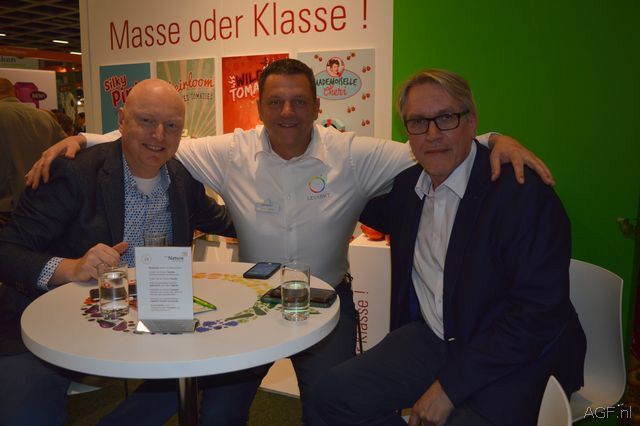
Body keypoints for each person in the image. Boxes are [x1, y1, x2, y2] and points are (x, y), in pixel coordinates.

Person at [27, 59, 555, 425]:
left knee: (327, 405)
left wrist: (494, 140)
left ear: (317, 105)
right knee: (221, 413)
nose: (287, 112)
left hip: (329, 301)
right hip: (254, 304)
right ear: (259, 107)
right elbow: (156, 136)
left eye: (298, 101)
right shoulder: (230, 152)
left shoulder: (354, 154)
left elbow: (437, 145)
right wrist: (83, 139)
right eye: (276, 102)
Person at [312, 69, 586, 426]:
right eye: (418, 122)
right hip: (435, 337)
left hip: (514, 354)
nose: (432, 134)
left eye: (446, 118)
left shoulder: (522, 194)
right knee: (330, 396)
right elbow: (347, 195)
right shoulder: (407, 189)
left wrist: (449, 389)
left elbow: (538, 314)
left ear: (471, 122)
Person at [0, 79, 234, 426]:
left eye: (171, 126)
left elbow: (226, 221)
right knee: (29, 415)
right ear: (122, 120)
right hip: (48, 321)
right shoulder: (73, 172)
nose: (159, 135)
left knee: (205, 368)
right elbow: (7, 251)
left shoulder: (182, 179)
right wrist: (71, 268)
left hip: (140, 320)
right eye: (146, 121)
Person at [0, 77, 67, 228]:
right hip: (41, 206)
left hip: (5, 209)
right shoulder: (45, 117)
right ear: (14, 91)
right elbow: (66, 155)